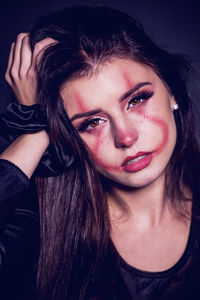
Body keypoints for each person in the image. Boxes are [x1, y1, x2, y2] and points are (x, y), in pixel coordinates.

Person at [0, 5, 200, 300]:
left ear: (171, 90)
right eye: (92, 122)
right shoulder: (40, 231)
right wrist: (35, 127)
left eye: (137, 100)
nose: (126, 137)